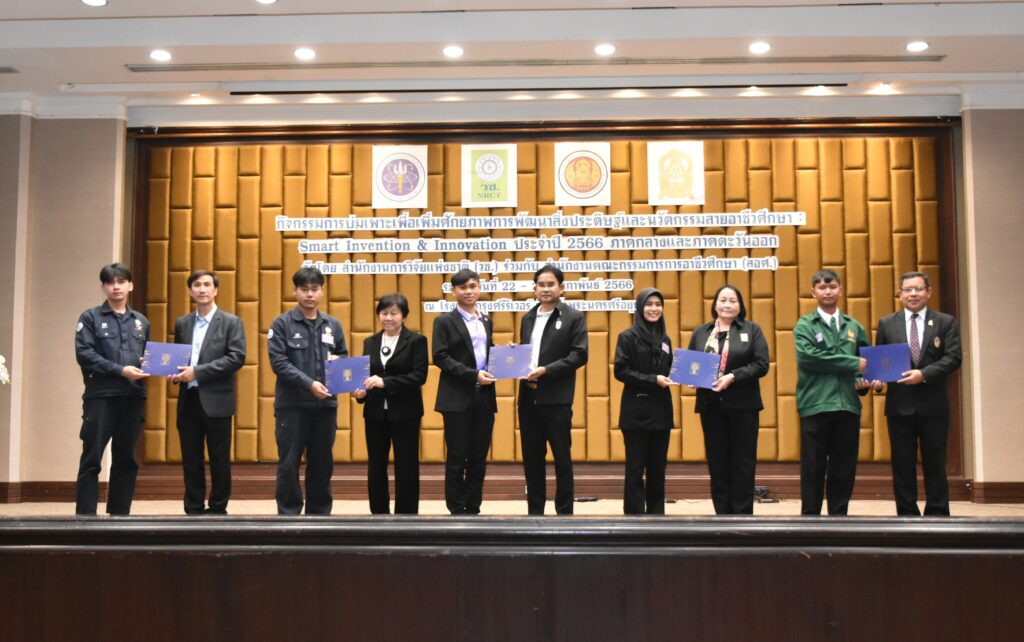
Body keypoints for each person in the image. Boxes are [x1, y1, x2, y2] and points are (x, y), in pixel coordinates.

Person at [875, 271, 962, 516]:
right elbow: (882, 361)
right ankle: (906, 514)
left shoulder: (945, 322)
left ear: (928, 292)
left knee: (935, 463)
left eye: (919, 289)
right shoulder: (887, 323)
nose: (913, 294)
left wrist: (923, 374)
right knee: (902, 465)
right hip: (899, 406)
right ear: (900, 294)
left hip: (933, 406)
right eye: (908, 290)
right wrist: (878, 381)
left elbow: (954, 358)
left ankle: (938, 513)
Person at [267, 267, 347, 515]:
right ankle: (288, 514)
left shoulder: (333, 325)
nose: (310, 294)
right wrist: (309, 384)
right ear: (295, 291)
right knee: (289, 463)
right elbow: (279, 363)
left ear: (322, 291)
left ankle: (320, 514)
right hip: (292, 406)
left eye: (314, 289)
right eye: (304, 289)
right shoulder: (282, 324)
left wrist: (342, 370)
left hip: (325, 406)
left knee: (322, 463)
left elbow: (342, 357)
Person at [794, 269, 874, 516]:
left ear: (840, 290)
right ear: (813, 292)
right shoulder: (805, 325)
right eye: (821, 287)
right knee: (813, 466)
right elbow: (809, 358)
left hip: (847, 405)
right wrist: (851, 364)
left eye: (832, 286)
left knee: (844, 467)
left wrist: (863, 382)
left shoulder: (854, 326)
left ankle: (839, 519)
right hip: (815, 404)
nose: (827, 291)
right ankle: (810, 519)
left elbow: (866, 363)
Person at [73, 263, 150, 516]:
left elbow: (147, 355)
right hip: (101, 397)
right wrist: (120, 370)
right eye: (110, 282)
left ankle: (119, 517)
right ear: (103, 287)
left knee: (126, 459)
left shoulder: (141, 321)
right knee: (92, 458)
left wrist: (148, 364)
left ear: (131, 285)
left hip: (132, 397)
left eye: (121, 281)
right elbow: (85, 354)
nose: (116, 286)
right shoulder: (90, 318)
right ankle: (85, 517)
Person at [169, 270, 246, 515]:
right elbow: (180, 358)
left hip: (217, 400)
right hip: (188, 400)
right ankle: (193, 506)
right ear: (190, 291)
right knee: (190, 457)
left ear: (215, 290)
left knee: (219, 457)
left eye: (206, 285)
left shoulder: (231, 322)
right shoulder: (182, 323)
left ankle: (218, 507)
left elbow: (236, 358)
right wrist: (173, 372)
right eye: (196, 285)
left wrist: (197, 372)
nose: (201, 289)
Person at [688, 285, 770, 515]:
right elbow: (692, 364)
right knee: (717, 463)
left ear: (740, 305)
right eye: (723, 300)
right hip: (710, 406)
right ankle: (722, 516)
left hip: (743, 406)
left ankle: (743, 517)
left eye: (733, 301)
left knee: (743, 463)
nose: (727, 305)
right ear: (715, 304)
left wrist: (733, 377)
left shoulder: (752, 330)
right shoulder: (702, 332)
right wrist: (692, 378)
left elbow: (761, 364)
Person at [518, 265, 588, 515]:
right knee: (532, 459)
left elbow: (580, 355)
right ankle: (535, 512)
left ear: (561, 287)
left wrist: (546, 370)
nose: (545, 289)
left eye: (551, 284)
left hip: (557, 399)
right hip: (528, 398)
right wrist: (515, 355)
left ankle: (564, 512)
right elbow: (529, 354)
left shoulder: (573, 317)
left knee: (562, 459)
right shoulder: (527, 318)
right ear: (534, 288)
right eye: (541, 285)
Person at [354, 293, 428, 515]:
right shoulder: (370, 342)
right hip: (375, 413)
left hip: (406, 412)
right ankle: (378, 514)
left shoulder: (416, 341)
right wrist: (360, 393)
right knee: (376, 465)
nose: (388, 318)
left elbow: (419, 376)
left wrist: (385, 382)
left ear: (404, 316)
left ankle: (406, 516)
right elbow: (365, 375)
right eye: (384, 313)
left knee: (406, 465)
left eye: (394, 313)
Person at [432, 269, 497, 515]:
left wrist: (506, 354)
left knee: (479, 456)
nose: (468, 291)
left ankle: (473, 505)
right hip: (456, 397)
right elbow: (440, 357)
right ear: (453, 291)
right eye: (462, 287)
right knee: (457, 456)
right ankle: (456, 507)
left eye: (472, 286)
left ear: (479, 288)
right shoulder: (444, 321)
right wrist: (473, 375)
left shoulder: (486, 320)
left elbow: (486, 353)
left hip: (485, 396)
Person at [614, 288, 676, 515]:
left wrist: (685, 376)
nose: (654, 309)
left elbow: (669, 370)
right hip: (636, 412)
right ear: (640, 308)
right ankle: (634, 517)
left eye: (658, 304)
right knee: (635, 469)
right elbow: (621, 371)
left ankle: (657, 516)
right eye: (649, 304)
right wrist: (653, 380)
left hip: (661, 411)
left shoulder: (665, 339)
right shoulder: (627, 337)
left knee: (658, 469)